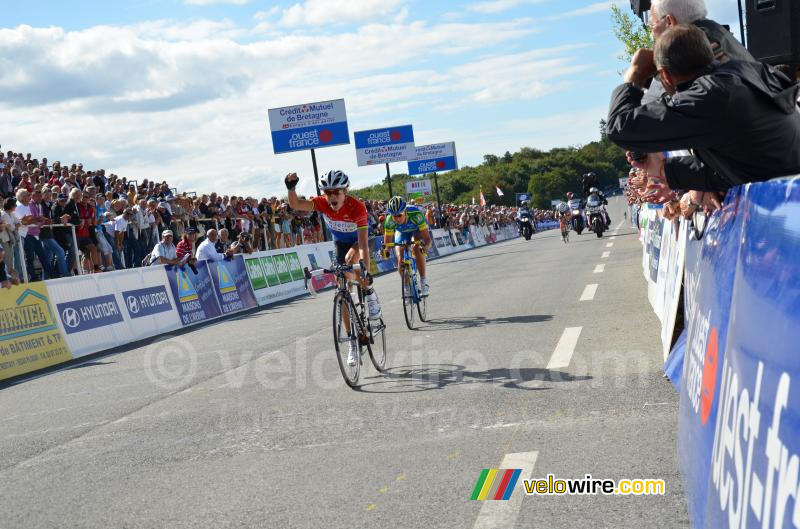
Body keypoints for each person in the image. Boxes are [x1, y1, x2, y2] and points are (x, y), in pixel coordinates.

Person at [606, 25, 800, 194]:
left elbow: (619, 128)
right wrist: (665, 169)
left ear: (665, 75)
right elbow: (742, 163)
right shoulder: (746, 72)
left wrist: (635, 77)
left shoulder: (711, 95)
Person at [285, 170, 382, 367]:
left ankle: (369, 292)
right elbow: (296, 205)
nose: (331, 197)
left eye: (336, 192)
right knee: (341, 286)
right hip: (340, 243)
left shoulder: (357, 207)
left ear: (345, 191)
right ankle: (352, 343)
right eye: (328, 193)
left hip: (360, 241)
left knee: (353, 263)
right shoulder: (321, 203)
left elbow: (363, 244)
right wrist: (291, 188)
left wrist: (364, 268)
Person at [381, 196, 433, 296]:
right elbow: (387, 244)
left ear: (405, 211)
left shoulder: (415, 214)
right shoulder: (389, 221)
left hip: (417, 230)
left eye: (399, 215)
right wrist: (385, 252)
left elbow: (428, 240)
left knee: (416, 248)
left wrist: (425, 247)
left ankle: (423, 282)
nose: (397, 219)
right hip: (402, 233)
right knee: (400, 259)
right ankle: (407, 287)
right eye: (394, 216)